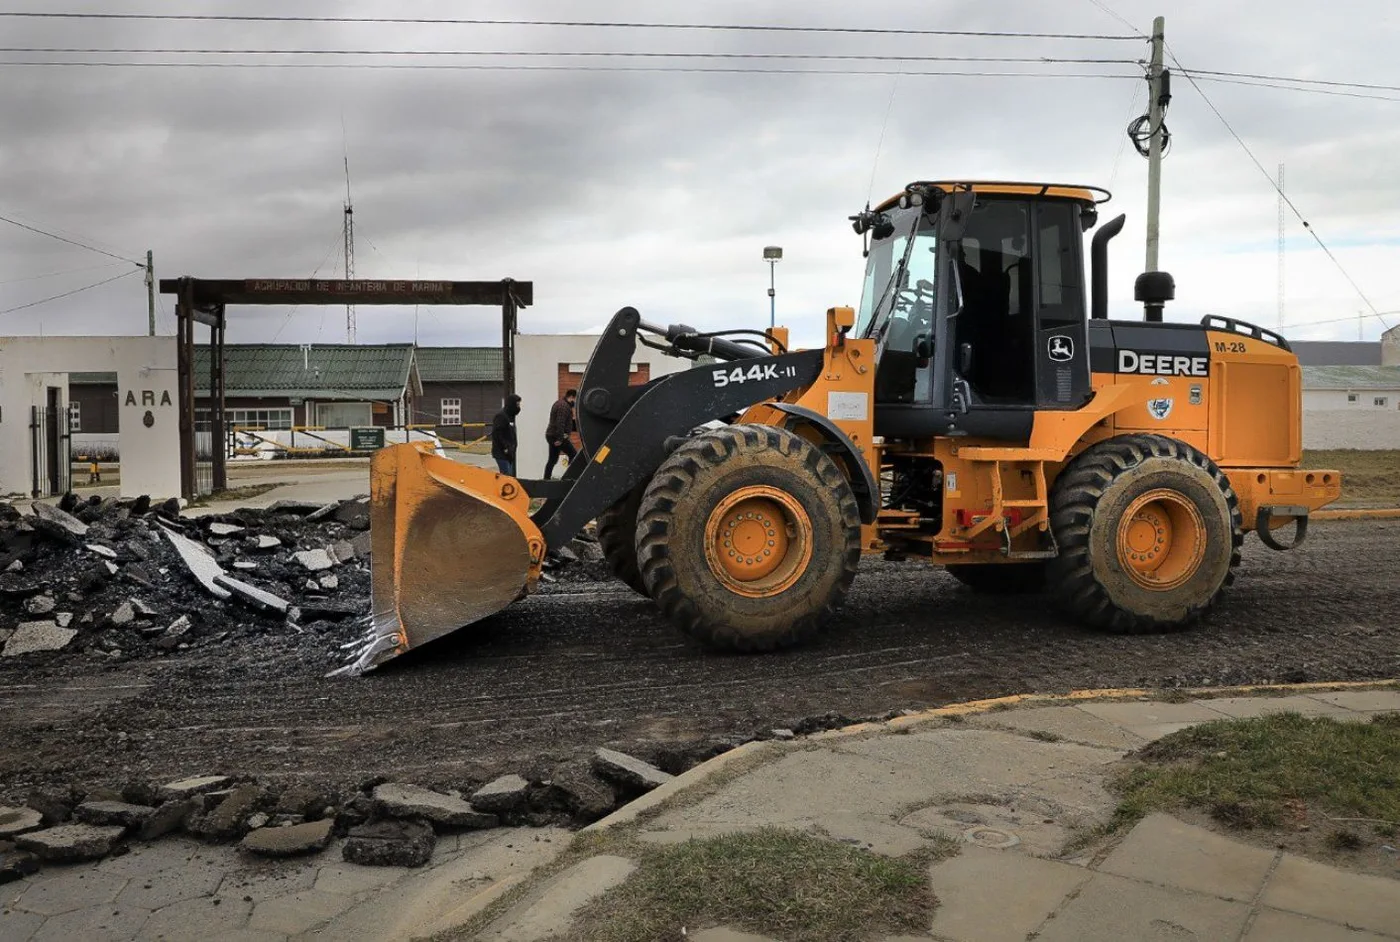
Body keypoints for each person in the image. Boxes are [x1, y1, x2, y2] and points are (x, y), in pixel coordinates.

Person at [544, 388, 578, 479]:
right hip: (557, 436)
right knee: (574, 455)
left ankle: (546, 479)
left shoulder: (560, 403)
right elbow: (560, 422)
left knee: (552, 460)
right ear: (571, 397)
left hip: (552, 435)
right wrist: (560, 439)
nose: (575, 402)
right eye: (575, 399)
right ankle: (570, 477)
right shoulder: (563, 406)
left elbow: (567, 422)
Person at [491, 394, 521, 476]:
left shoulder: (510, 416)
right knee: (506, 477)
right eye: (517, 405)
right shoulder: (501, 416)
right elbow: (497, 434)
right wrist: (505, 447)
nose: (518, 407)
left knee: (509, 476)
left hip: (509, 453)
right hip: (502, 453)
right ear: (512, 404)